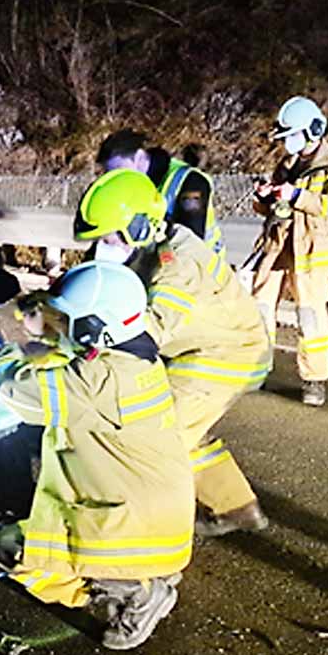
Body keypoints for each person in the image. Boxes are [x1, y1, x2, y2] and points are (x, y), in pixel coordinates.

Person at [0, 261, 193, 650]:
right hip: (153, 516)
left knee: (10, 549)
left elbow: (18, 390)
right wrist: (46, 344)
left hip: (134, 528)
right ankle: (140, 577)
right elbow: (69, 363)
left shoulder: (100, 383)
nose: (58, 326)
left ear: (94, 328)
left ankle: (128, 593)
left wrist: (7, 350)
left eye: (67, 320)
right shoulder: (131, 359)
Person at [73, 168, 271, 537]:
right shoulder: (143, 245)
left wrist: (90, 340)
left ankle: (152, 531)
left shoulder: (177, 263)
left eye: (111, 237)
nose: (105, 244)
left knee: (157, 435)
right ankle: (237, 507)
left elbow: (149, 332)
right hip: (199, 346)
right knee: (183, 426)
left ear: (139, 225)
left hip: (227, 352)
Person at [248, 96, 328, 407]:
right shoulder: (288, 164)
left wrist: (296, 194)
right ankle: (256, 369)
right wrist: (265, 196)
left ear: (312, 130)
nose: (287, 142)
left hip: (310, 251)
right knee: (260, 309)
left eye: (292, 135)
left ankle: (314, 380)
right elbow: (272, 208)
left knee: (310, 316)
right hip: (278, 247)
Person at [96, 129, 224, 255]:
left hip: (201, 266)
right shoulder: (134, 185)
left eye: (119, 170)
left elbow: (191, 240)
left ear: (139, 157)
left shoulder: (191, 182)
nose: (117, 179)